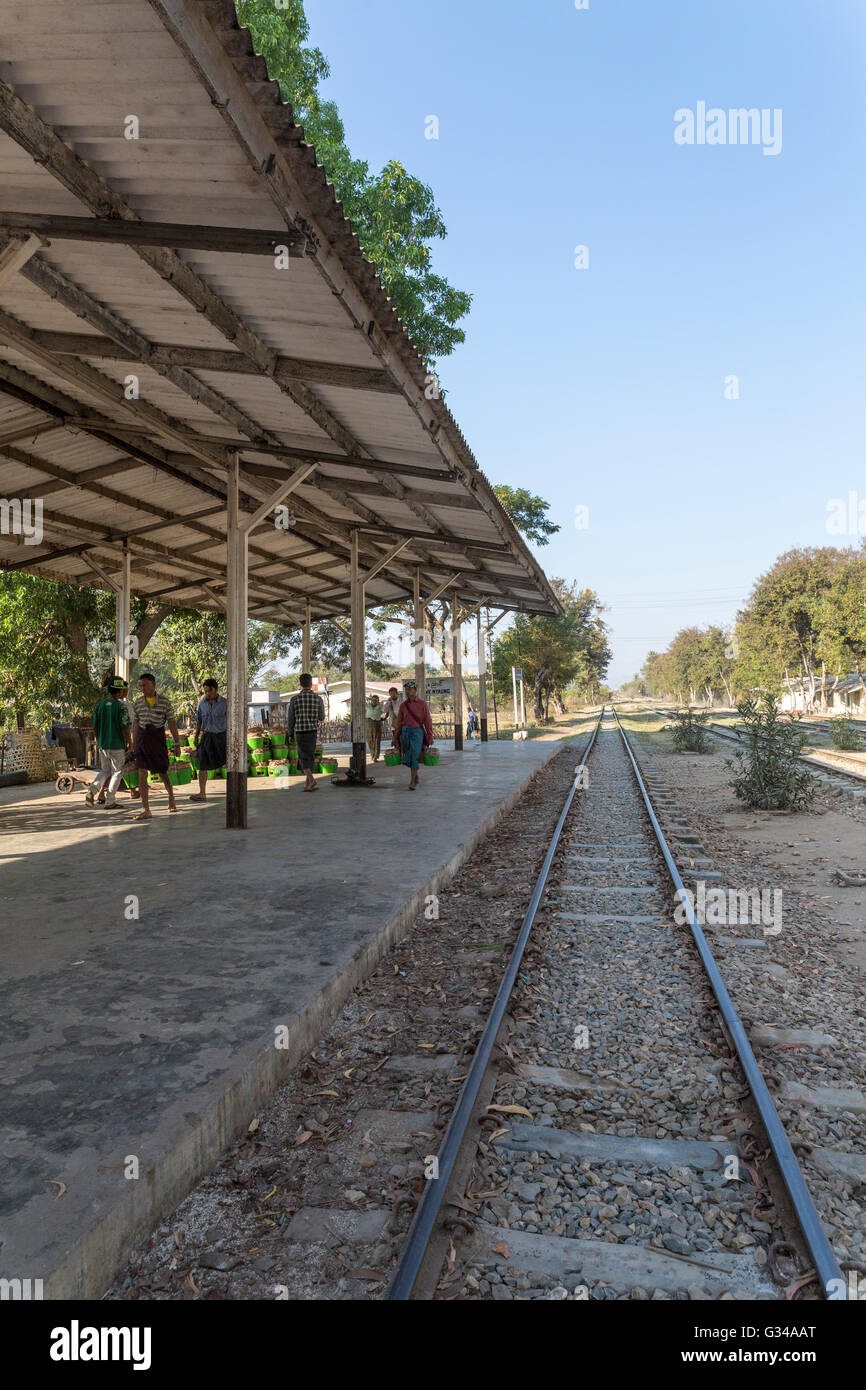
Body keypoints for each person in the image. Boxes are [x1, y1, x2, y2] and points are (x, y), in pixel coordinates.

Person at [131, 673, 181, 820]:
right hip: (142, 739)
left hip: (158, 739)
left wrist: (177, 743)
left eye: (145, 685)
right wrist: (133, 744)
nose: (142, 688)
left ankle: (171, 797)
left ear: (153, 684)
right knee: (142, 772)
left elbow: (171, 722)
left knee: (162, 771)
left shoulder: (164, 702)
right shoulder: (137, 703)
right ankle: (146, 809)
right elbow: (136, 724)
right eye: (140, 686)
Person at [85, 676, 133, 810]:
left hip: (103, 744)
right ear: (120, 691)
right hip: (117, 744)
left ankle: (92, 790)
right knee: (117, 772)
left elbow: (95, 725)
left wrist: (98, 739)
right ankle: (110, 800)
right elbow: (125, 727)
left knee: (105, 770)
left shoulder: (100, 706)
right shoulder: (121, 707)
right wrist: (129, 742)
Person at [189, 678, 227, 801]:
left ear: (215, 690)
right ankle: (202, 793)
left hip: (221, 737)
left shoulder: (225, 703)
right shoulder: (202, 704)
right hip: (206, 737)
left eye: (209, 691)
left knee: (227, 762)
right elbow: (199, 722)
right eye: (205, 691)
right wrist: (196, 736)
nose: (207, 694)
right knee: (202, 764)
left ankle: (233, 790)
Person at [287, 672, 325, 791]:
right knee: (310, 756)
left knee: (303, 757)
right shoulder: (318, 699)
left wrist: (290, 733)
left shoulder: (294, 699)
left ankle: (311, 780)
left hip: (300, 732)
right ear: (311, 683)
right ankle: (307, 785)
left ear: (300, 684)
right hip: (312, 732)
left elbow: (291, 719)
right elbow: (321, 717)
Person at [393, 680, 433, 790]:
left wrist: (430, 735)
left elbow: (427, 721)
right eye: (406, 689)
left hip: (417, 732)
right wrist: (395, 737)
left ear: (415, 690)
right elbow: (399, 722)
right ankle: (416, 776)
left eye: (410, 689)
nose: (407, 691)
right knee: (408, 755)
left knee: (414, 754)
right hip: (405, 732)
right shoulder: (403, 706)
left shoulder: (422, 704)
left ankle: (412, 781)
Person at [365, 692, 383, 762]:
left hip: (377, 723)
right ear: (371, 700)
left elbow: (386, 710)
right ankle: (372, 754)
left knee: (377, 740)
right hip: (369, 722)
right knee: (370, 740)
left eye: (376, 700)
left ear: (378, 701)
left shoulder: (380, 706)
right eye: (373, 700)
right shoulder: (367, 706)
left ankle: (375, 756)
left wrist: (385, 717)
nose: (374, 701)